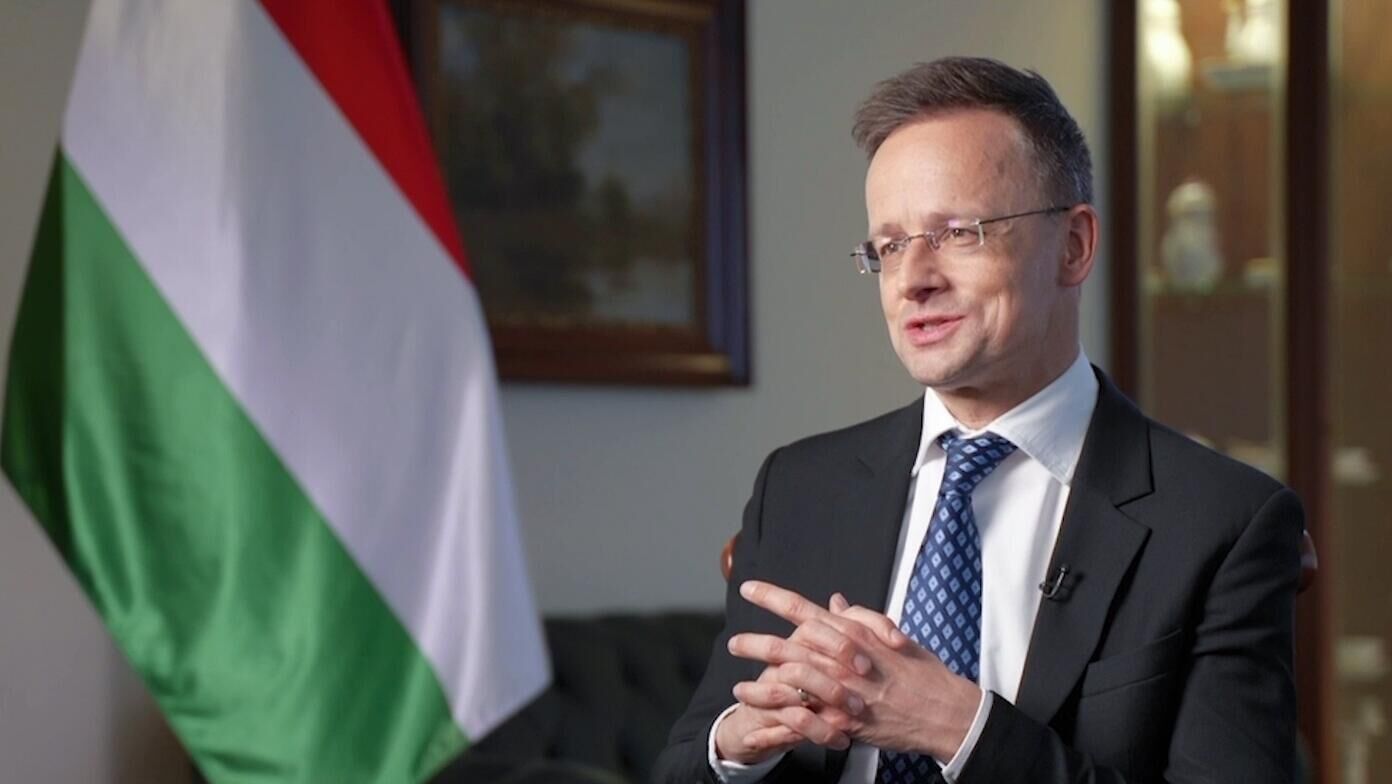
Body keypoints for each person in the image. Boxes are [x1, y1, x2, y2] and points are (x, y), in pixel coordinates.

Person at [654, 57, 1304, 783]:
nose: (912, 280)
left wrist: (957, 726)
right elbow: (684, 765)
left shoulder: (1221, 522)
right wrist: (738, 746)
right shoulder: (800, 486)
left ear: (1074, 246)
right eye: (890, 246)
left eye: (959, 232)